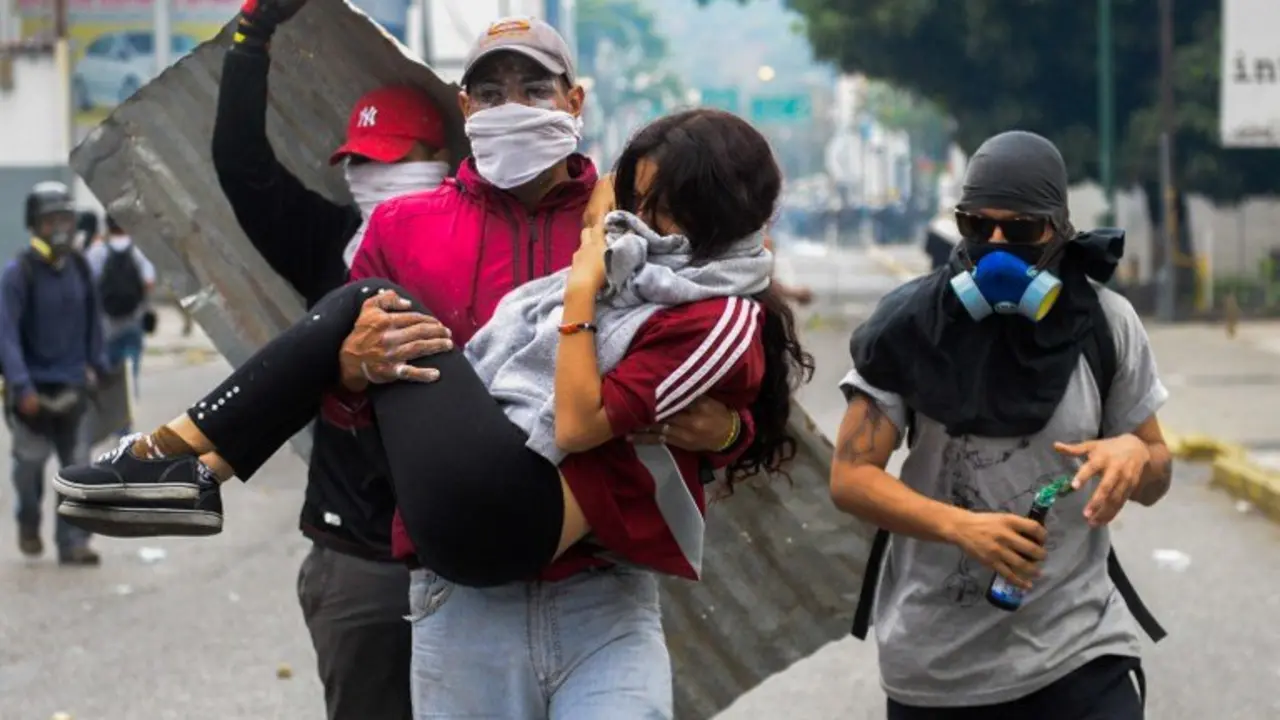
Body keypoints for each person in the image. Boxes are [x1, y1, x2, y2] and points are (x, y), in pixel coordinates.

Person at [59, 16, 754, 718]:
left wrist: (728, 433)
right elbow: (349, 414)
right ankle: (186, 464)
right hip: (461, 597)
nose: (512, 107)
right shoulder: (401, 227)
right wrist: (352, 371)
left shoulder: (634, 221)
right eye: (491, 93)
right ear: (465, 107)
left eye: (535, 89)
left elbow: (732, 372)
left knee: (361, 301)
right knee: (363, 309)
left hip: (601, 591)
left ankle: (183, 459)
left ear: (574, 102)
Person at [170, 0, 453, 715]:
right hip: (360, 557)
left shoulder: (483, 245)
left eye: (390, 158)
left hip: (467, 553)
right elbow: (242, 166)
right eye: (358, 161)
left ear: (438, 158)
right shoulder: (326, 243)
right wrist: (251, 39)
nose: (369, 173)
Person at [830, 131, 1172, 719]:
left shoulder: (1106, 324)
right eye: (975, 225)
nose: (994, 246)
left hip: (1080, 651)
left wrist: (1136, 456)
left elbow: (1158, 472)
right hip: (938, 672)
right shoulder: (909, 325)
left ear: (1059, 230)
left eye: (1019, 230)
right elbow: (850, 477)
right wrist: (960, 527)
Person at [0, 181, 109, 565]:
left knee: (77, 470)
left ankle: (74, 542)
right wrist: (21, 386)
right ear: (34, 225)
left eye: (65, 219)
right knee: (28, 469)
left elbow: (94, 321)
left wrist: (97, 365)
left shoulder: (80, 267)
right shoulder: (18, 273)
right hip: (32, 393)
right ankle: (28, 520)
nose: (60, 228)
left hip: (74, 387)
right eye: (51, 221)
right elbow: (6, 335)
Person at [83, 214, 157, 397]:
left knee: (108, 371)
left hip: (107, 323)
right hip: (134, 318)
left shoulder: (97, 251)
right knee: (132, 370)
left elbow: (86, 284)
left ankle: (113, 402)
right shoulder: (139, 250)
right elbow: (149, 282)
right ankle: (133, 400)